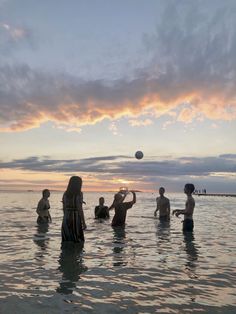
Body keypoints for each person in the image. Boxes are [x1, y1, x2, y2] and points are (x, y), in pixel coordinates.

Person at [61, 176, 87, 243]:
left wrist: (66, 217)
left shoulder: (65, 194)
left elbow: (64, 208)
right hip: (75, 218)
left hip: (66, 218)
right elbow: (80, 209)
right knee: (77, 240)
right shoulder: (79, 194)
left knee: (66, 240)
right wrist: (83, 222)